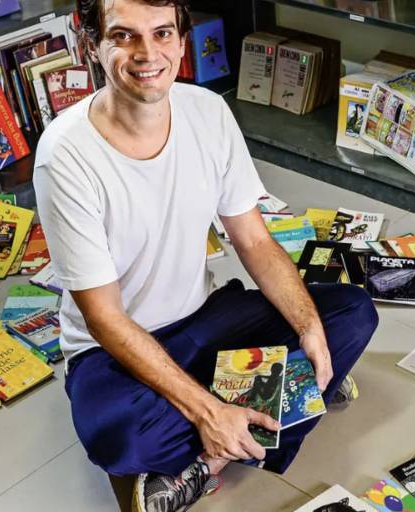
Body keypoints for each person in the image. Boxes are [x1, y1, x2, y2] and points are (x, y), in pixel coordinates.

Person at [32, 1, 379, 511]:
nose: (148, 53)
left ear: (181, 39)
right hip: (112, 352)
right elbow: (104, 319)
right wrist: (206, 411)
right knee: (120, 437)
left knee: (351, 314)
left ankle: (210, 455)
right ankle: (276, 403)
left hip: (204, 319)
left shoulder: (208, 110)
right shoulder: (65, 155)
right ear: (92, 45)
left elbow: (255, 241)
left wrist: (306, 325)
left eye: (162, 33)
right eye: (124, 36)